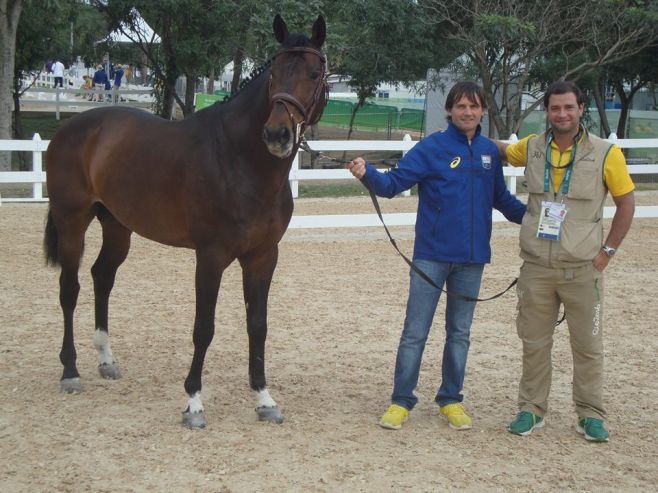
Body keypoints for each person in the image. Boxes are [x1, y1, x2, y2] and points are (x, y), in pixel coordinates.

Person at [346, 81, 526, 431]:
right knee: (415, 331)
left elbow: (502, 200)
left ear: (482, 112)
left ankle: (450, 399)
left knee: (459, 333)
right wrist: (367, 174)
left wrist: (534, 218)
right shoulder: (431, 148)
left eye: (474, 107)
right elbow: (393, 185)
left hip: (472, 259)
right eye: (461, 106)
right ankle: (401, 400)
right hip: (431, 257)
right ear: (449, 110)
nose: (468, 112)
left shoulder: (489, 152)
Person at [496, 81, 635, 442]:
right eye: (555, 108)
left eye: (569, 108)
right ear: (547, 110)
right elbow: (497, 151)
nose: (562, 114)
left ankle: (590, 414)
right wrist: (458, 135)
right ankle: (531, 409)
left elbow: (626, 203)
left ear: (580, 108)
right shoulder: (531, 148)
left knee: (588, 345)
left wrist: (607, 252)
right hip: (537, 268)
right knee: (534, 342)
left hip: (584, 269)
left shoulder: (606, 153)